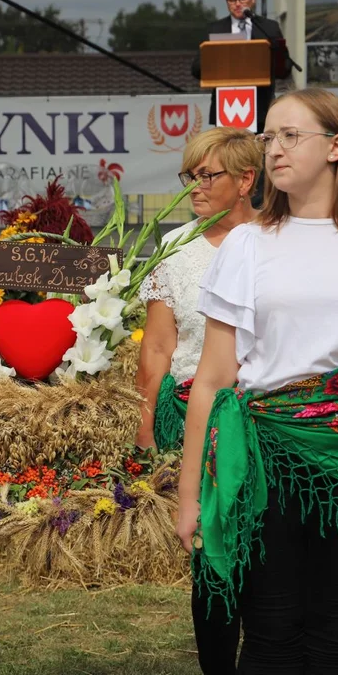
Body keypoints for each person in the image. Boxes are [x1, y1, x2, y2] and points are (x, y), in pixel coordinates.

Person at [177, 88, 338, 675]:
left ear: (337, 146)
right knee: (270, 642)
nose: (274, 149)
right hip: (265, 468)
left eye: (290, 136)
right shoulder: (247, 243)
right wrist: (191, 494)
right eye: (268, 138)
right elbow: (214, 379)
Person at [136, 127, 261, 453]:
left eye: (206, 176)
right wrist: (144, 429)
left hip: (270, 422)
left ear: (244, 180)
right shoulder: (174, 248)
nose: (193, 188)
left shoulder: (281, 240)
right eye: (189, 177)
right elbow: (157, 347)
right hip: (191, 426)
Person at [190, 0, 288, 135]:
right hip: (226, 110)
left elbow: (285, 68)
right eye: (232, 0)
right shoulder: (215, 29)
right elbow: (196, 69)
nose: (237, 4)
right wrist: (218, 59)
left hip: (261, 110)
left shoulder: (268, 28)